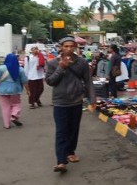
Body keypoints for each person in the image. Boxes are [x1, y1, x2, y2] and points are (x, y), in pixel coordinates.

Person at [45, 36, 96, 173]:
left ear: (75, 47)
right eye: (66, 46)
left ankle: (71, 152)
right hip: (60, 102)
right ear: (60, 47)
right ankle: (61, 161)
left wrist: (92, 99)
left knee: (73, 130)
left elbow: (88, 81)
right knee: (61, 131)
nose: (69, 49)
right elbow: (50, 81)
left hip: (76, 101)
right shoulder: (52, 63)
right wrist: (61, 67)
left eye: (71, 46)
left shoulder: (82, 62)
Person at [0, 54, 29, 129]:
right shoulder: (19, 69)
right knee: (16, 104)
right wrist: (28, 90)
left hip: (2, 90)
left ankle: (7, 125)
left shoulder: (1, 68)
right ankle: (14, 115)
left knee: (5, 107)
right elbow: (25, 81)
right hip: (15, 90)